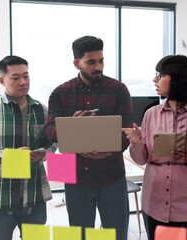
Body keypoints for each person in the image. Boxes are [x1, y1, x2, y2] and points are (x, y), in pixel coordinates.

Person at [45, 36, 133, 240]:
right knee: (80, 235)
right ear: (77, 63)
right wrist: (72, 128)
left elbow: (127, 132)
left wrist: (108, 150)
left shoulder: (118, 90)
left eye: (101, 61)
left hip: (112, 175)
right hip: (75, 176)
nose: (98, 67)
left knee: (117, 234)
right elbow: (50, 132)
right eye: (91, 62)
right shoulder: (60, 93)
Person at [122, 55, 187, 240]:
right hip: (154, 204)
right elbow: (141, 159)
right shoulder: (151, 114)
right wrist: (136, 141)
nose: (155, 80)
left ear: (177, 79)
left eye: (161, 75)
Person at [0, 55, 56, 240]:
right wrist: (8, 155)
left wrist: (44, 154)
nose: (23, 82)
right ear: (1, 80)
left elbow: (53, 142)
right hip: (0, 197)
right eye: (15, 77)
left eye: (26, 76)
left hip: (34, 194)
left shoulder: (42, 110)